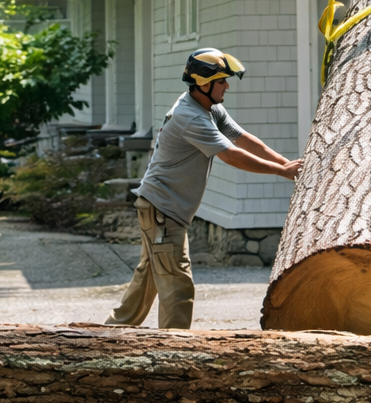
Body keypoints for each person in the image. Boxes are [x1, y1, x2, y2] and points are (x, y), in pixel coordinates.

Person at [104, 48, 301, 330]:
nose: (227, 86)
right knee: (177, 285)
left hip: (161, 209)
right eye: (222, 81)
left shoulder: (209, 108)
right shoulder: (190, 117)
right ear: (204, 83)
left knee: (149, 278)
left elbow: (242, 138)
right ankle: (175, 352)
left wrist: (285, 163)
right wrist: (281, 172)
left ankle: (111, 335)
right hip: (163, 211)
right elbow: (230, 154)